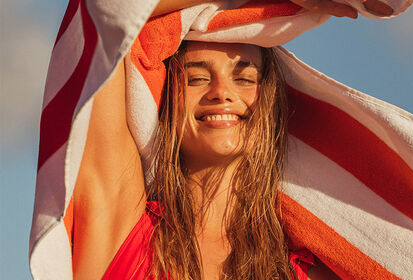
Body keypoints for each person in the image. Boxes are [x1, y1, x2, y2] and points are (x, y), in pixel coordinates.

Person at [71, 1, 395, 279]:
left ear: (269, 106)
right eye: (196, 78)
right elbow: (103, 13)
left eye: (244, 78)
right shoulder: (122, 228)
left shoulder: (306, 273)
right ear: (167, 102)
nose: (222, 93)